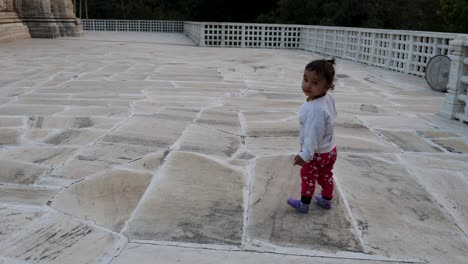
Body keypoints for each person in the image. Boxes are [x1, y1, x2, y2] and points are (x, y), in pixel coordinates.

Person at [287, 59, 338, 214]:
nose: (308, 85)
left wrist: (305, 155)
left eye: (315, 83)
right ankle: (326, 199)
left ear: (327, 86)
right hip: (330, 150)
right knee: (326, 174)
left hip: (316, 154)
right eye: (305, 79)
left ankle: (304, 204)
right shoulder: (327, 98)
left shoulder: (315, 110)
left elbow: (312, 136)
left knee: (308, 176)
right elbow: (333, 115)